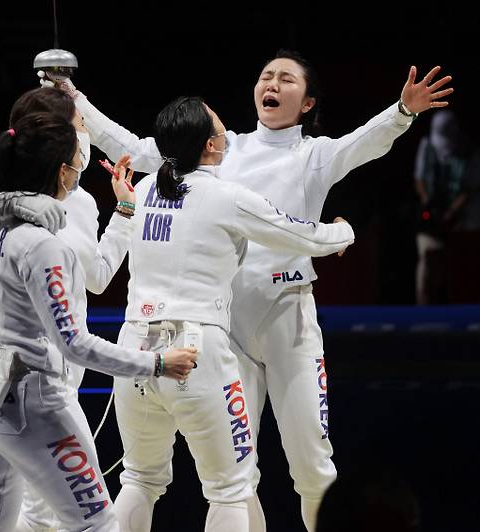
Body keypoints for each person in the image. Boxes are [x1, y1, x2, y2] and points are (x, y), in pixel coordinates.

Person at [47, 50, 453, 531]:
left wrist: (402, 112)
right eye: (266, 76)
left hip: (287, 319)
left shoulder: (313, 155)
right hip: (224, 326)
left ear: (307, 103)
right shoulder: (222, 149)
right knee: (238, 477)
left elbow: (362, 144)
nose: (272, 83)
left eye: (286, 79)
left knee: (312, 469)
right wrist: (75, 97)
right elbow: (130, 147)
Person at [106, 96, 354, 532]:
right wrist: (344, 231)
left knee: (139, 479)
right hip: (195, 352)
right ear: (208, 146)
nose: (227, 134)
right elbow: (300, 236)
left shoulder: (142, 191)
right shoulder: (227, 196)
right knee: (230, 489)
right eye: (219, 127)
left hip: (134, 353)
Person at [0, 111, 198, 532]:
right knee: (97, 525)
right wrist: (158, 363)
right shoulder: (43, 245)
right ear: (64, 170)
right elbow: (74, 344)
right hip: (33, 398)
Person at [0, 87, 139, 532]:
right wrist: (156, 364)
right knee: (68, 519)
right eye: (82, 126)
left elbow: (98, 277)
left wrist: (124, 211)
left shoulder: (79, 204)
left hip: (9, 378)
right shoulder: (4, 203)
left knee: (7, 519)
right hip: (39, 376)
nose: (87, 135)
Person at [414, 110, 468, 304]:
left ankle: (451, 300)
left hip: (456, 214)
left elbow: (467, 187)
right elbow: (419, 179)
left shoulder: (463, 150)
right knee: (426, 257)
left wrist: (452, 211)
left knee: (452, 261)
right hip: (432, 214)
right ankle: (423, 302)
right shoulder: (427, 145)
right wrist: (429, 205)